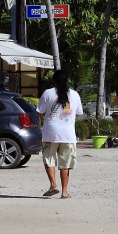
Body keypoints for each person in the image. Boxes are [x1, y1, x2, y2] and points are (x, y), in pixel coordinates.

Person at [36, 67, 84, 199]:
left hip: (50, 134)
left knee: (49, 159)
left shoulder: (47, 93)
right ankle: (64, 192)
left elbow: (39, 112)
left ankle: (53, 185)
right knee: (65, 164)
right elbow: (78, 113)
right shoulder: (74, 94)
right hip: (68, 135)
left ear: (54, 81)